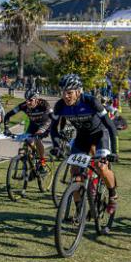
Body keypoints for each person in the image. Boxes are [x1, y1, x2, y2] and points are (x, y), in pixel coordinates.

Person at [49, 74, 120, 215]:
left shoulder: (91, 101)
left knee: (101, 167)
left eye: (69, 93)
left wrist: (114, 151)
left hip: (100, 135)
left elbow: (110, 126)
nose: (65, 96)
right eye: (63, 92)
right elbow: (53, 128)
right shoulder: (60, 106)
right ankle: (79, 210)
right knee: (75, 174)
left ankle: (113, 195)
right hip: (82, 137)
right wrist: (56, 146)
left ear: (78, 91)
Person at [3, 88, 53, 172]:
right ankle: (32, 165)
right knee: (27, 141)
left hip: (45, 124)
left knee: (37, 139)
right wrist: (6, 128)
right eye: (26, 100)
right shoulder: (23, 106)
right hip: (33, 124)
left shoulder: (44, 104)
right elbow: (8, 115)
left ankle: (42, 162)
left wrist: (41, 130)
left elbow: (52, 117)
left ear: (36, 99)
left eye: (30, 100)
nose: (28, 102)